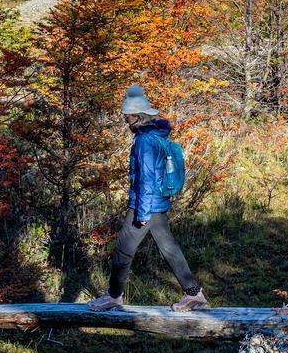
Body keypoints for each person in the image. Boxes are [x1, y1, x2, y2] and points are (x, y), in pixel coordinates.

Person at [88, 86, 207, 313]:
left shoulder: (144, 142)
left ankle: (113, 297)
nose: (126, 120)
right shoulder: (155, 136)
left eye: (128, 117)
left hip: (145, 205)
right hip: (157, 203)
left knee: (123, 250)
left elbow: (147, 180)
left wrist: (141, 214)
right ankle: (194, 294)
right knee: (169, 248)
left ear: (138, 117)